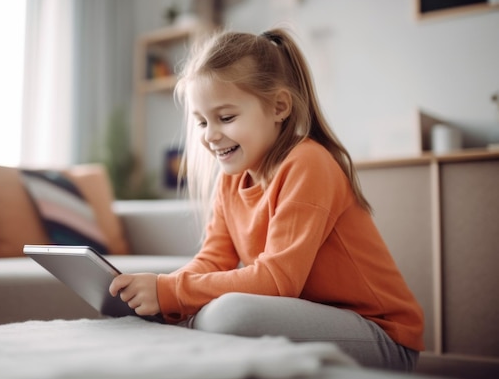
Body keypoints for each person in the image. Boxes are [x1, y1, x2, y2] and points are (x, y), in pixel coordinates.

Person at [109, 28, 424, 371]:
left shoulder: (308, 163)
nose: (210, 136)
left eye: (226, 118)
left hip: (383, 336)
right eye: (201, 122)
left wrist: (171, 294)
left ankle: (185, 333)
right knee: (211, 310)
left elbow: (277, 281)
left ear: (279, 107)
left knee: (229, 314)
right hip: (309, 320)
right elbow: (212, 261)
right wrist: (160, 292)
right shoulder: (231, 180)